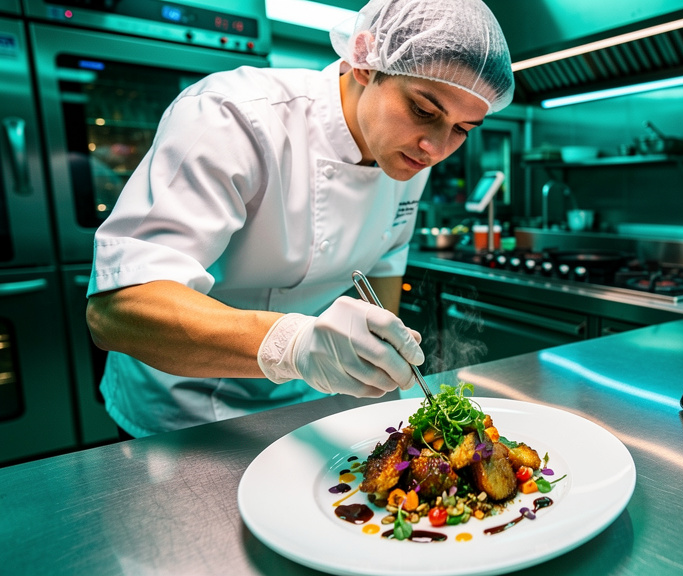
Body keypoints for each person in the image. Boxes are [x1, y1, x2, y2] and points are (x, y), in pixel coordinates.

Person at [85, 0, 514, 438]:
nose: (437, 149)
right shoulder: (234, 116)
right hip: (184, 411)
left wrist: (383, 367)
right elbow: (116, 311)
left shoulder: (406, 156)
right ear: (363, 62)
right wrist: (293, 344)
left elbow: (386, 261)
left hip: (308, 404)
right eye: (425, 110)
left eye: (463, 129)